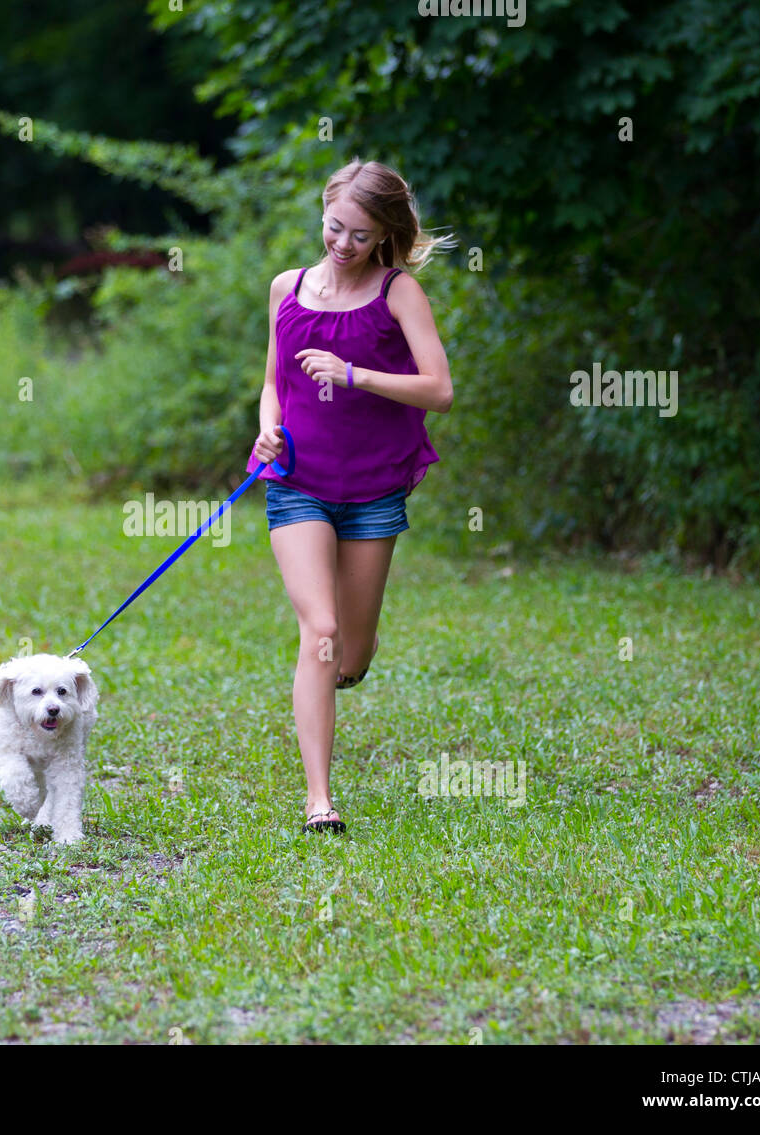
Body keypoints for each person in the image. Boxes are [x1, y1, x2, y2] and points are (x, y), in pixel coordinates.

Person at [248, 160, 455, 834]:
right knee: (323, 630)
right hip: (297, 481)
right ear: (324, 211)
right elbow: (274, 382)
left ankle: (338, 673)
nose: (343, 244)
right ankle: (319, 800)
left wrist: (355, 373)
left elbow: (439, 390)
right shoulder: (288, 287)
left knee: (353, 654)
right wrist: (267, 428)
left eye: (361, 236)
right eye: (335, 227)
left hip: (372, 489)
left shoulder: (399, 293)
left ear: (385, 235)